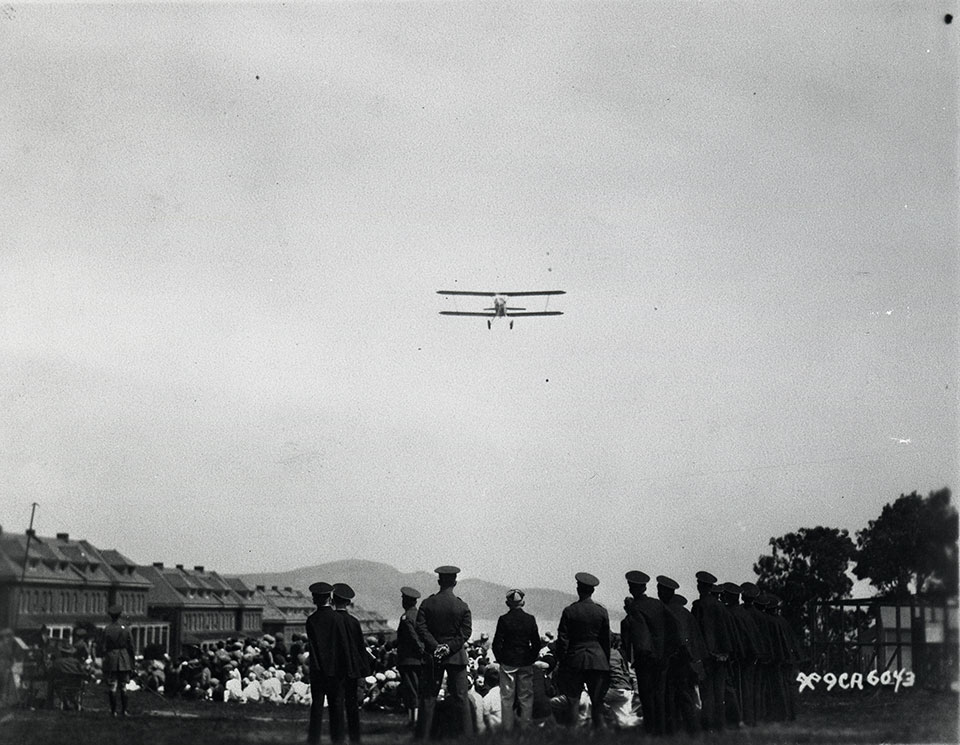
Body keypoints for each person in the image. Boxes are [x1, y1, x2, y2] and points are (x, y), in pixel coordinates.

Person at [415, 565, 473, 740]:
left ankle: (423, 737)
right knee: (461, 697)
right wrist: (449, 648)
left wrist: (436, 647)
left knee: (429, 697)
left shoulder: (427, 603)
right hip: (456, 656)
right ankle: (466, 737)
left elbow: (421, 628)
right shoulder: (462, 606)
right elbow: (465, 632)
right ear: (455, 582)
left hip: (434, 656)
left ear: (439, 581)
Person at [622, 571, 677, 736]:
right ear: (645, 587)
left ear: (632, 588)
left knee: (647, 698)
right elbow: (674, 628)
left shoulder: (634, 609)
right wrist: (666, 652)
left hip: (645, 659)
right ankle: (661, 731)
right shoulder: (657, 604)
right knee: (660, 696)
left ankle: (651, 731)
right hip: (662, 658)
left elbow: (639, 639)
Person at [555, 572, 610, 730]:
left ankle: (573, 739)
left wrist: (563, 661)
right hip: (598, 661)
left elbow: (563, 640)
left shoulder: (570, 611)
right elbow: (605, 640)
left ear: (578, 589)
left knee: (573, 703)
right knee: (597, 704)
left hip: (575, 660)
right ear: (592, 591)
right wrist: (604, 661)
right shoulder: (601, 612)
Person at [491, 588, 540, 732]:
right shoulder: (530, 619)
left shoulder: (503, 619)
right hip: (525, 662)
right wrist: (530, 658)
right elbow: (536, 644)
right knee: (526, 698)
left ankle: (507, 730)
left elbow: (496, 644)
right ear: (523, 602)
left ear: (508, 603)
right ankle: (525, 729)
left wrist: (501, 659)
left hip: (508, 662)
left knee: (507, 699)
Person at [331, 582, 372, 743]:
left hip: (335, 668)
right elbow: (360, 647)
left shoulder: (331, 620)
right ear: (348, 602)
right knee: (352, 703)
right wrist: (363, 669)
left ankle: (338, 736)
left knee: (336, 702)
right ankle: (355, 736)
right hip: (352, 669)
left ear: (333, 600)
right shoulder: (354, 622)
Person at [691, 572, 730, 732]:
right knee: (719, 693)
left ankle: (708, 726)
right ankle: (720, 726)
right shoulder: (721, 606)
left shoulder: (698, 606)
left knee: (707, 693)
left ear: (701, 586)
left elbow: (695, 632)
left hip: (706, 656)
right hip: (721, 657)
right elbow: (726, 631)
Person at [306, 581, 338, 744]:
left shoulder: (311, 620)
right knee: (335, 706)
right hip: (335, 669)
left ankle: (314, 739)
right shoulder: (336, 618)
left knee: (317, 706)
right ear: (329, 597)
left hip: (317, 669)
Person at [99, 604, 135, 717]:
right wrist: (132, 662)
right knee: (123, 686)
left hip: (111, 659)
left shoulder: (107, 629)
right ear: (120, 615)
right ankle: (124, 711)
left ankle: (113, 711)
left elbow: (103, 647)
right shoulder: (126, 629)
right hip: (124, 658)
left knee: (112, 686)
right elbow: (131, 647)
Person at [396, 586, 424, 729]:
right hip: (418, 660)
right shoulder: (420, 615)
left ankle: (414, 720)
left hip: (408, 660)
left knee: (411, 690)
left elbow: (411, 638)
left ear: (406, 601)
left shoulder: (405, 617)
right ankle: (415, 719)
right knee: (417, 688)